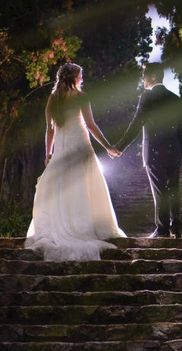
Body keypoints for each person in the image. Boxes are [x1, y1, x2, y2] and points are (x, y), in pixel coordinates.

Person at [25, 63, 125, 261]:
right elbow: (91, 126)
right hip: (80, 148)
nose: (82, 79)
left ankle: (68, 224)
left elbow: (50, 130)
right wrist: (107, 146)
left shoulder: (53, 99)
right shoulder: (81, 97)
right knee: (85, 186)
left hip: (62, 150)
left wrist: (48, 154)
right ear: (73, 78)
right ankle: (87, 226)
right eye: (80, 76)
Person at [116, 62, 182, 238]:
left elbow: (136, 124)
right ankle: (176, 226)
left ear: (153, 77)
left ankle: (162, 229)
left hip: (155, 151)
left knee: (160, 191)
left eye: (145, 75)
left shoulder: (147, 97)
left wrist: (120, 147)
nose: (143, 78)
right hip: (174, 150)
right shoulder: (175, 98)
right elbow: (179, 129)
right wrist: (180, 155)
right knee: (173, 190)